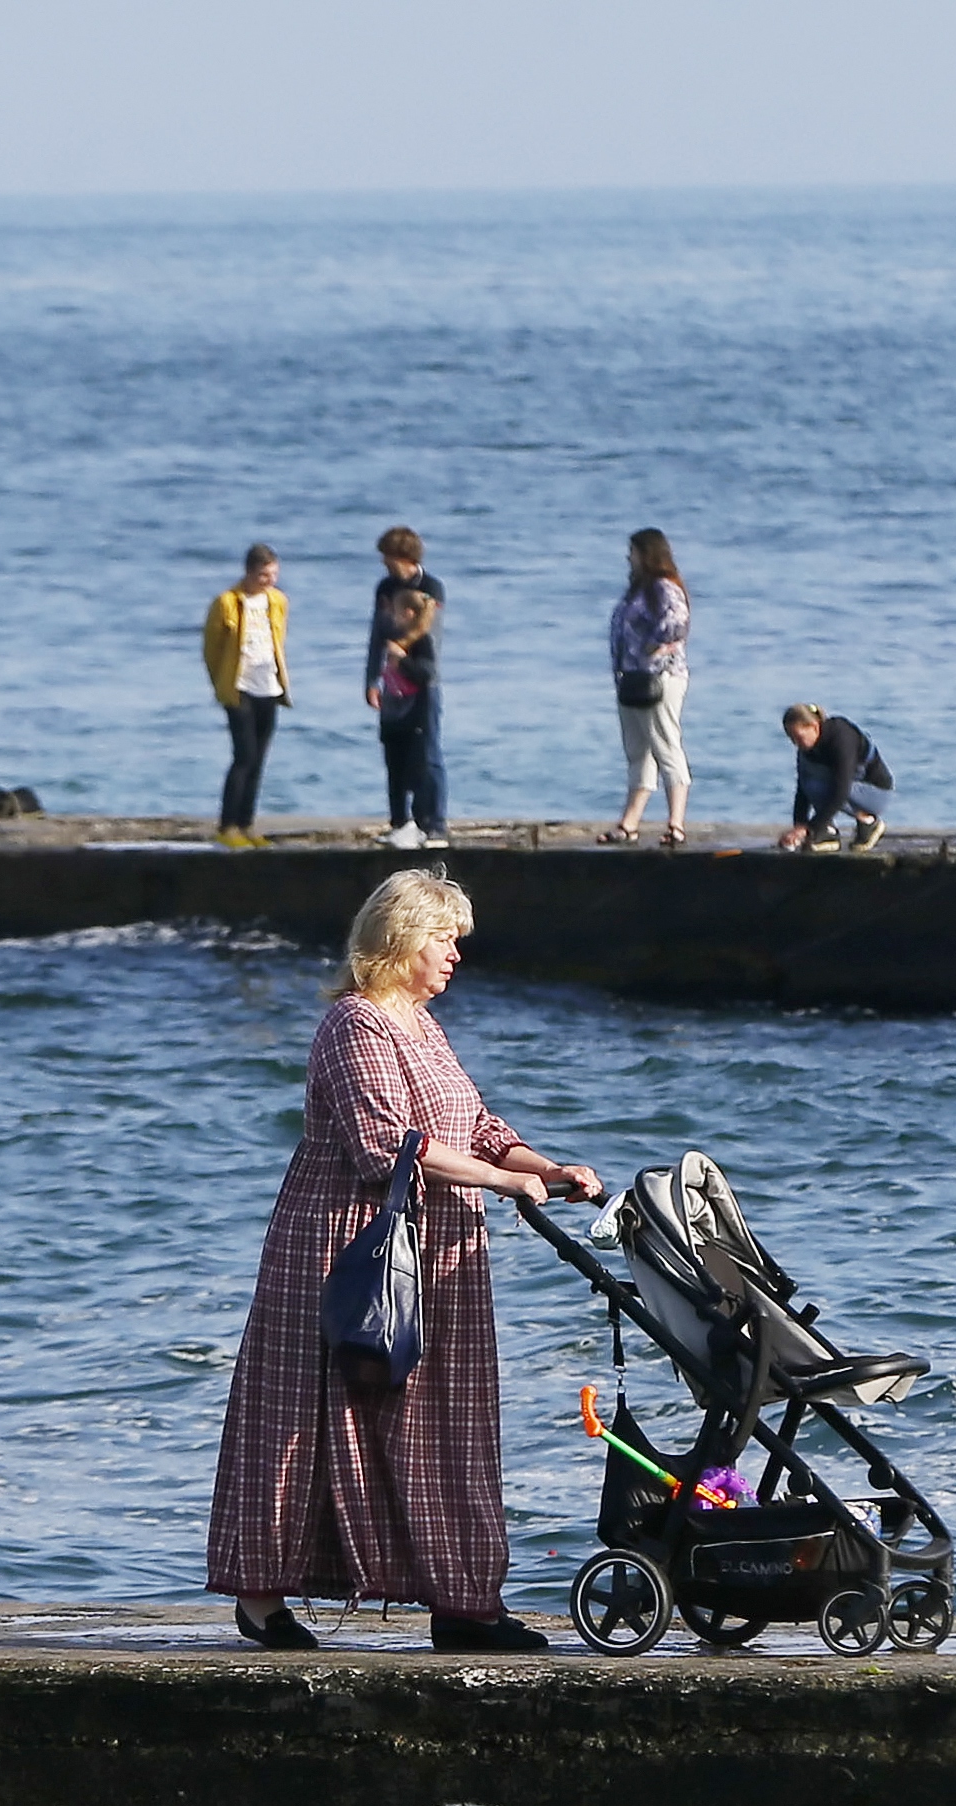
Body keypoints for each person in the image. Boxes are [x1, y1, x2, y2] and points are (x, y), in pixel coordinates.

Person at [206, 870, 604, 1653]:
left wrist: (546, 1167)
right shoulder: (355, 1024)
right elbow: (384, 1144)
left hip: (438, 1246)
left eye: (456, 938)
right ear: (398, 939)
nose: (454, 953)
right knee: (305, 1418)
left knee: (443, 1422)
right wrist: (502, 1180)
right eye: (442, 937)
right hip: (350, 1246)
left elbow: (477, 1124)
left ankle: (462, 1600)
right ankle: (260, 1595)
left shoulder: (419, 1023)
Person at [607, 528, 693, 845]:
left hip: (661, 678)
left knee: (666, 744)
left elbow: (677, 623)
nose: (629, 558)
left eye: (634, 551)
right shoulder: (637, 589)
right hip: (631, 678)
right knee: (637, 750)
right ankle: (629, 822)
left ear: (648, 554)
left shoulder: (663, 587)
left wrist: (653, 647)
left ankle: (676, 823)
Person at [204, 545, 291, 846]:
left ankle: (246, 824)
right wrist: (222, 683)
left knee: (259, 760)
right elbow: (212, 648)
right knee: (243, 756)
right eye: (264, 574)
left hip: (269, 686)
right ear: (250, 572)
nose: (270, 580)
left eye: (274, 574)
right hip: (239, 688)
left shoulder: (277, 601)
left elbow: (278, 639)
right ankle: (227, 825)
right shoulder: (227, 602)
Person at [367, 528, 446, 847]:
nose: (386, 565)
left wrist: (405, 655)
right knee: (394, 755)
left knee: (426, 754)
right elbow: (376, 635)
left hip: (422, 682)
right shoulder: (385, 588)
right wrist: (372, 679)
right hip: (391, 684)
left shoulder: (431, 587)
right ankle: (400, 822)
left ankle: (434, 823)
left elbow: (430, 634)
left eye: (390, 558)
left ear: (406, 559)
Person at [776, 705, 894, 850]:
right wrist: (799, 825)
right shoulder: (806, 748)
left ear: (814, 727)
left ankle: (868, 821)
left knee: (824, 785)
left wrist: (810, 828)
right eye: (791, 738)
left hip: (876, 793)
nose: (795, 743)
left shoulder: (841, 737)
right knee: (811, 783)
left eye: (799, 737)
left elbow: (841, 790)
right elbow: (802, 788)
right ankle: (828, 832)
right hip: (845, 788)